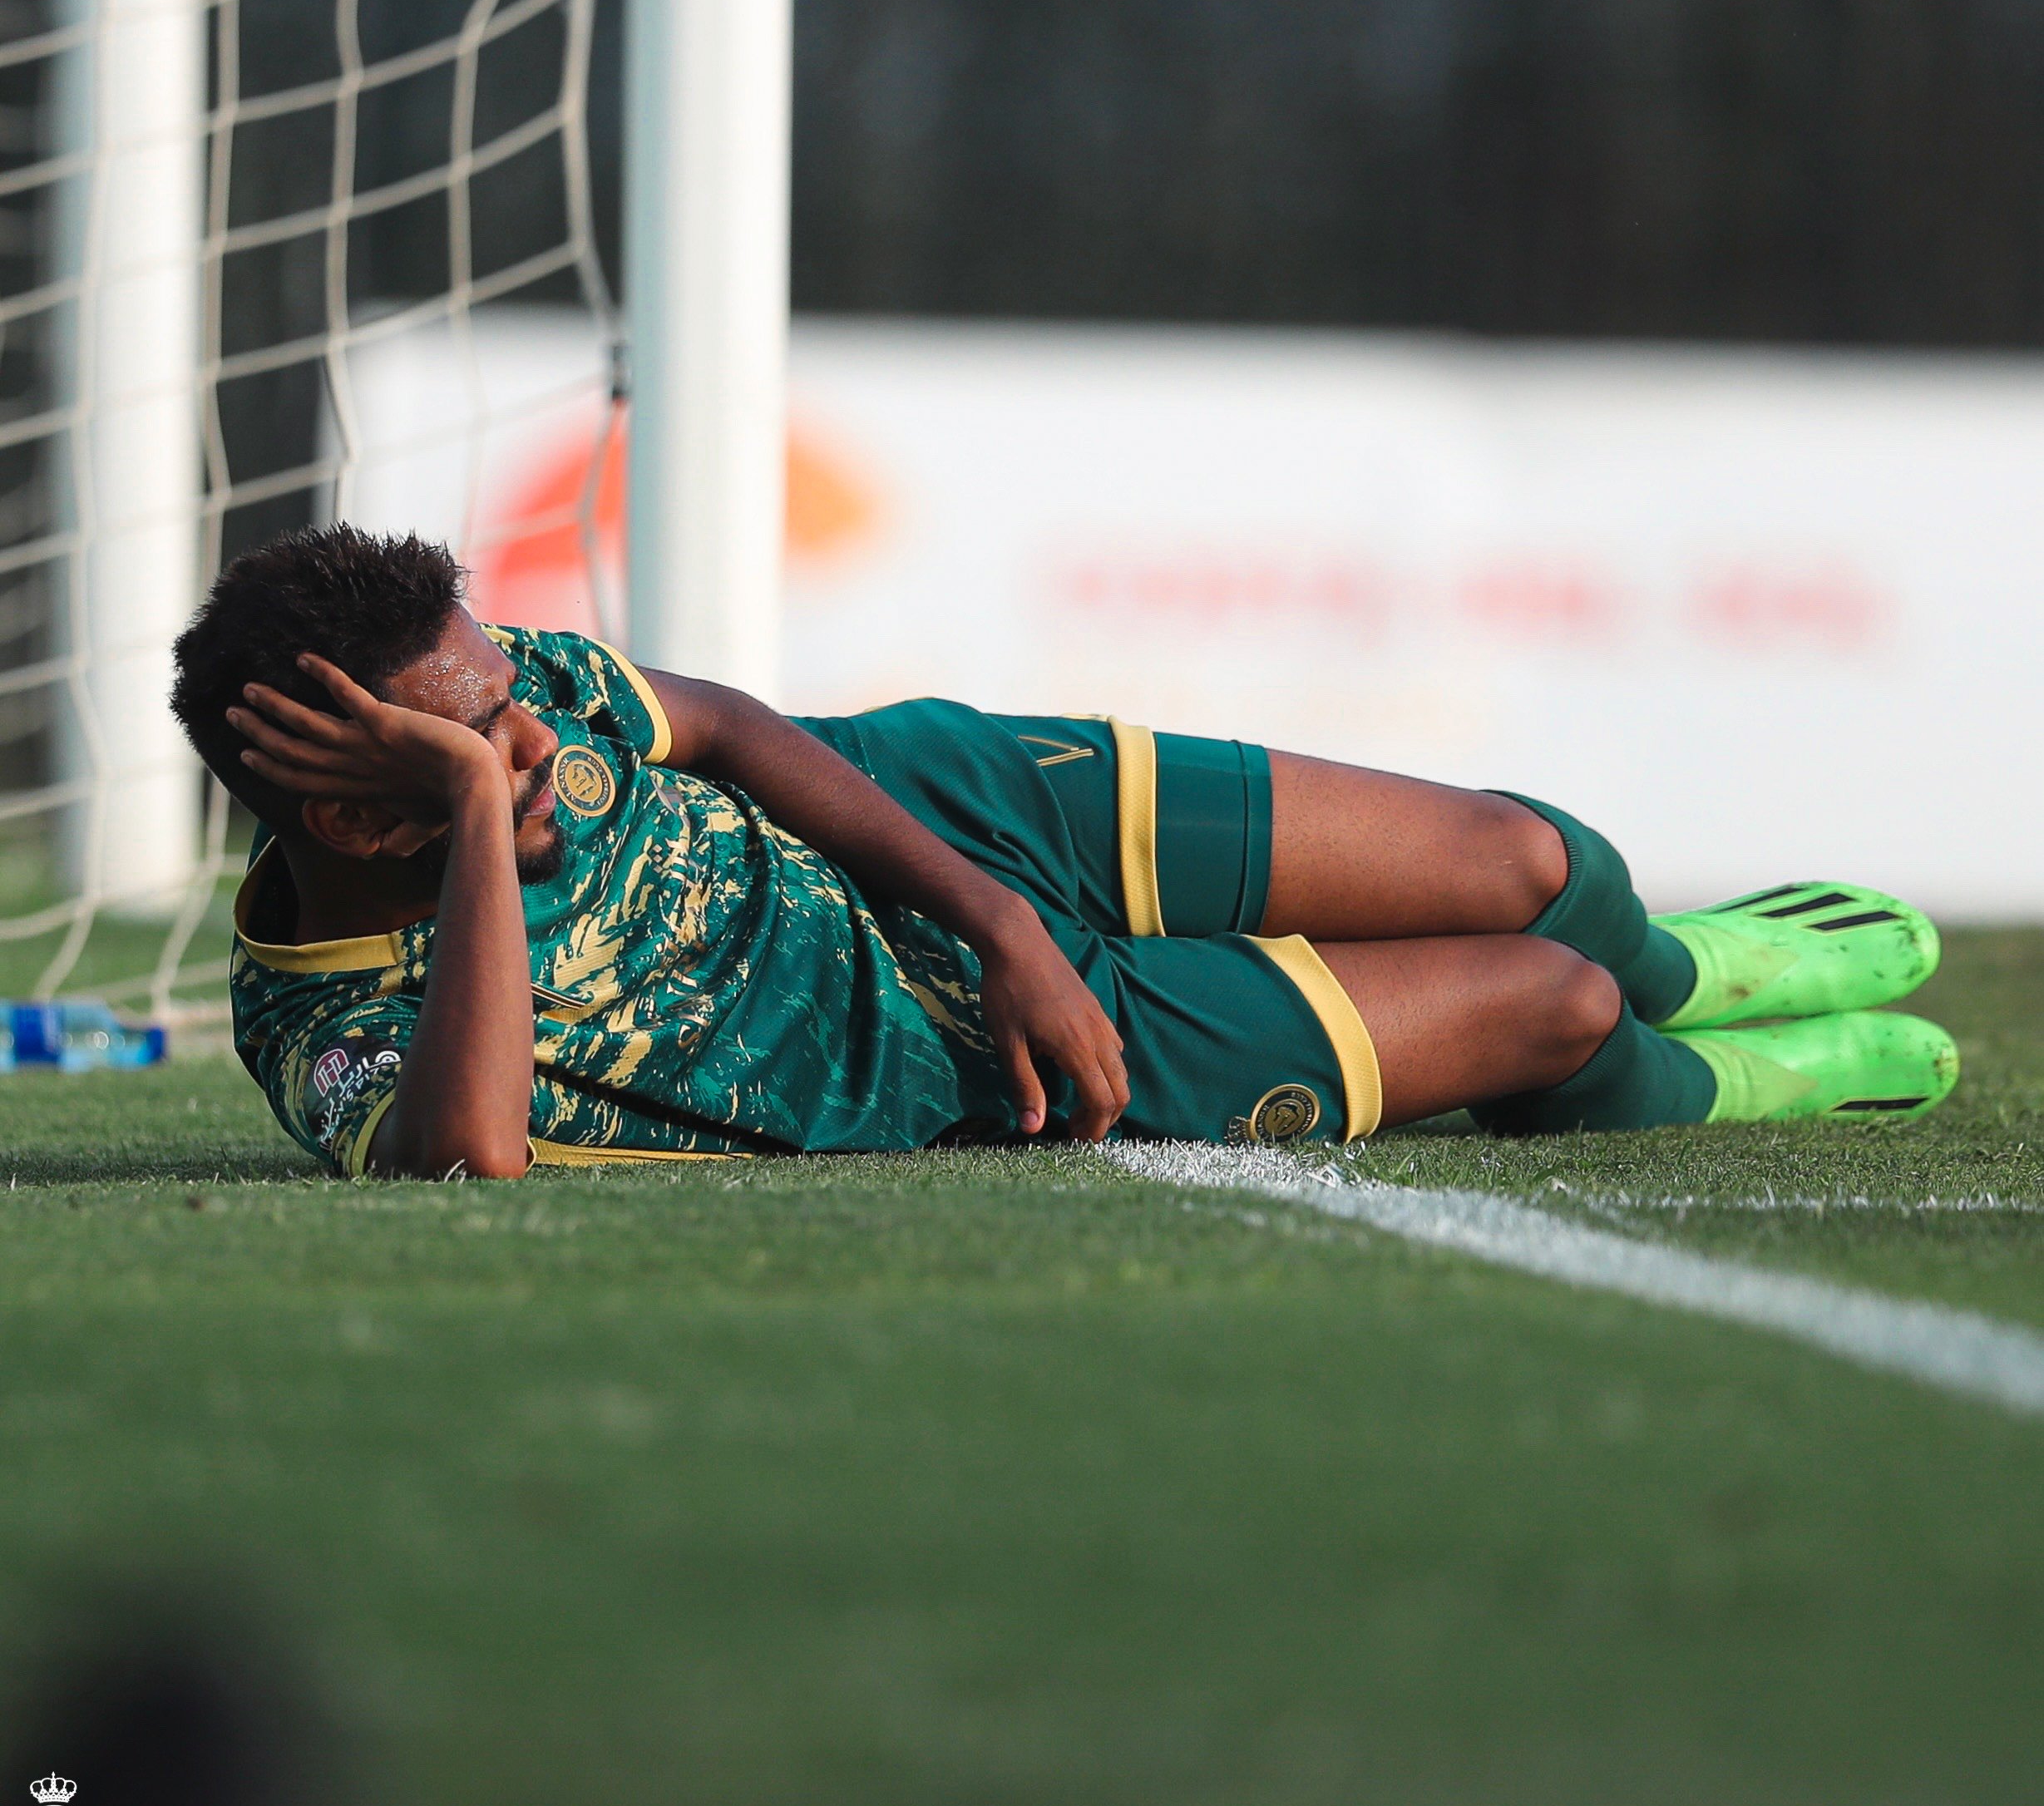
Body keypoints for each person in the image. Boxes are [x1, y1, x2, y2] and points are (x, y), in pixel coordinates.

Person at [168, 526, 1956, 1179]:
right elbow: (468, 1154)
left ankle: (1708, 961)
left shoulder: (509, 688)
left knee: (1535, 858)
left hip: (963, 824)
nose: (540, 731)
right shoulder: (327, 1031)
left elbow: (722, 723)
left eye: (516, 703)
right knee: (1554, 1005)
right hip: (977, 1064)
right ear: (353, 807)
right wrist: (484, 815)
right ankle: (1713, 1067)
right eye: (486, 742)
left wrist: (1002, 907)